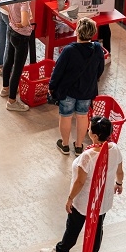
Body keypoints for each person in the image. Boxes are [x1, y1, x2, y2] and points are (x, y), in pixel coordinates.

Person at [40, 116, 124, 252]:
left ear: (95, 135)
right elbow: (120, 170)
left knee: (73, 228)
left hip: (84, 201)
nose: (88, 129)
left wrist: (70, 198)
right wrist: (119, 183)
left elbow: (80, 181)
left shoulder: (88, 156)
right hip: (103, 199)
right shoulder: (115, 149)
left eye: (90, 128)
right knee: (97, 229)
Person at [49, 18, 106, 155]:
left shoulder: (69, 50)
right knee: (82, 116)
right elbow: (100, 69)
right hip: (87, 90)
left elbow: (58, 71)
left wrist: (52, 87)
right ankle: (79, 146)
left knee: (66, 116)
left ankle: (65, 145)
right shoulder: (97, 48)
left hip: (68, 90)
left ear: (77, 32)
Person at [0, 0, 38, 113]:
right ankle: (12, 101)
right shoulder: (24, 1)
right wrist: (22, 23)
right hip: (21, 36)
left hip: (11, 31)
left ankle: (5, 88)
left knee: (8, 61)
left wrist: (10, 11)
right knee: (17, 69)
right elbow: (25, 22)